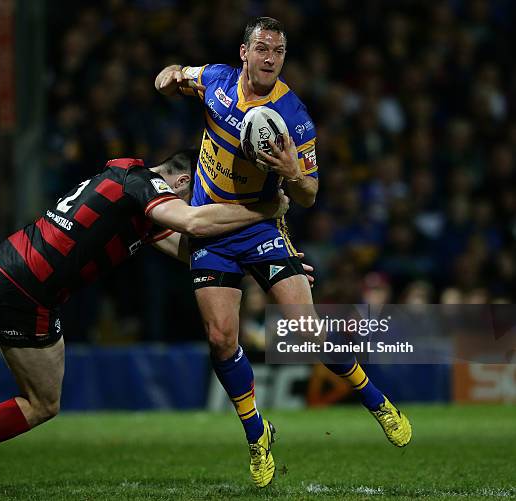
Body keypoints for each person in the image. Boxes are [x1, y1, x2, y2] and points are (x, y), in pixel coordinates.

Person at [0, 149, 290, 491]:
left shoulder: (125, 175)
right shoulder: (148, 186)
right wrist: (265, 209)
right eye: (200, 196)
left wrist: (273, 265)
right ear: (185, 181)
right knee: (42, 403)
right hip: (29, 291)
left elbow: (190, 249)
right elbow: (193, 223)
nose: (200, 205)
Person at [156, 16, 411, 488]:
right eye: (263, 48)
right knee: (220, 338)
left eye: (278, 51)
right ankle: (258, 435)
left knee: (306, 332)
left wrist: (294, 171)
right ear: (244, 52)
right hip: (211, 228)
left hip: (259, 225)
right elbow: (173, 75)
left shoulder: (294, 116)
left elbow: (310, 193)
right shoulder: (214, 80)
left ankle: (377, 400)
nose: (270, 58)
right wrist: (168, 74)